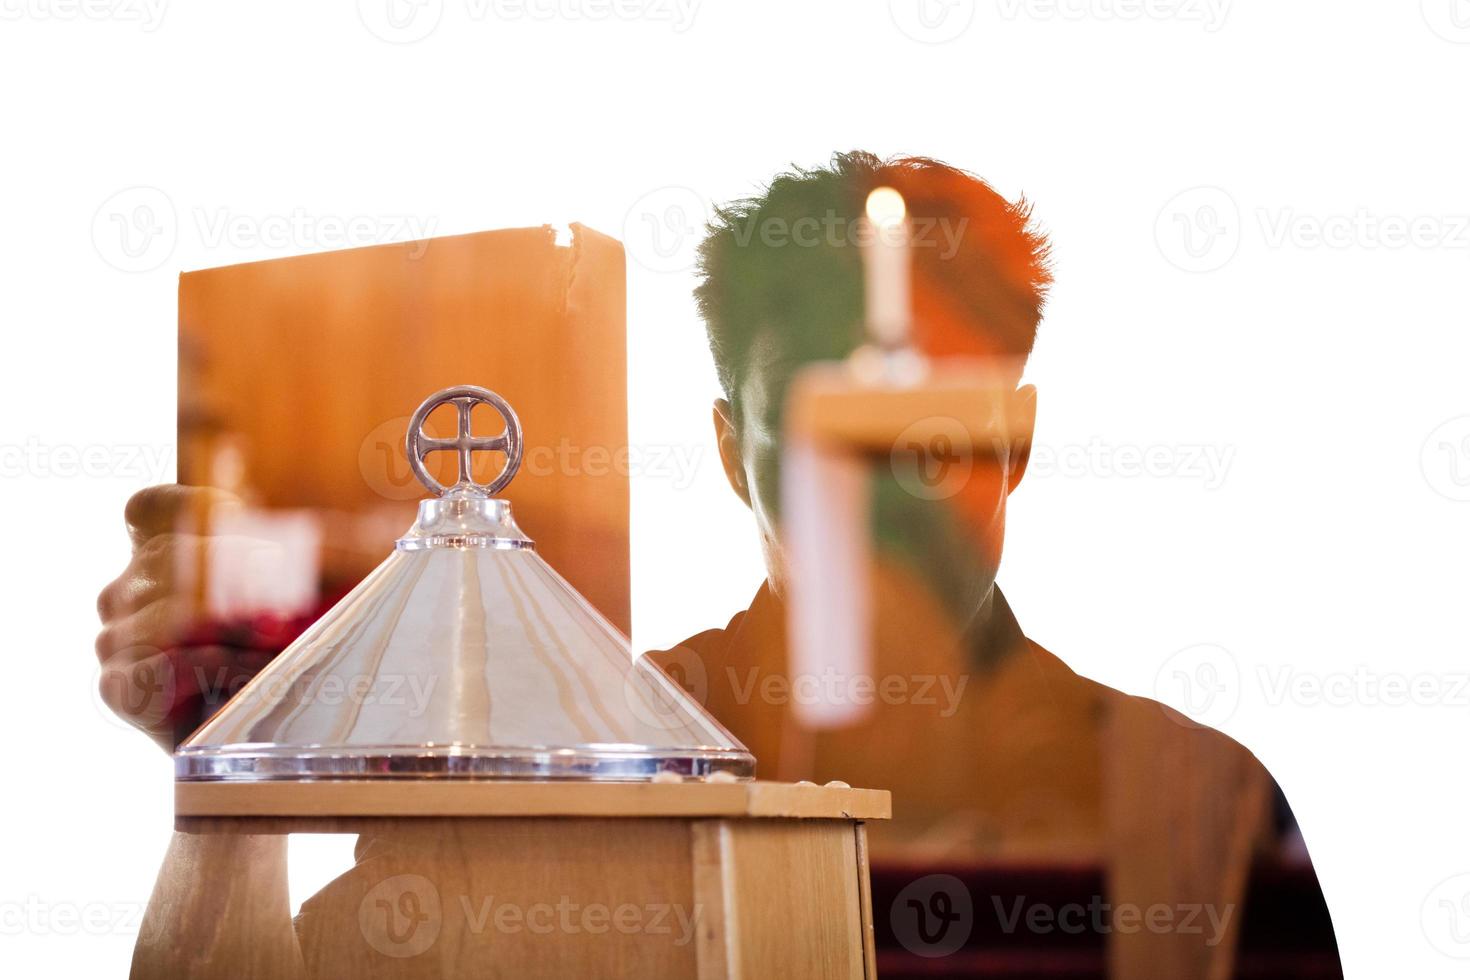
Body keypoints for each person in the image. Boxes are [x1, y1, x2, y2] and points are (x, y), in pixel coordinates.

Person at [97, 151, 1340, 973]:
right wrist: (242, 754)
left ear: (1017, 440)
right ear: (730, 451)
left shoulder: (1206, 810)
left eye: (935, 427)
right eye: (824, 422)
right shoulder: (551, 771)